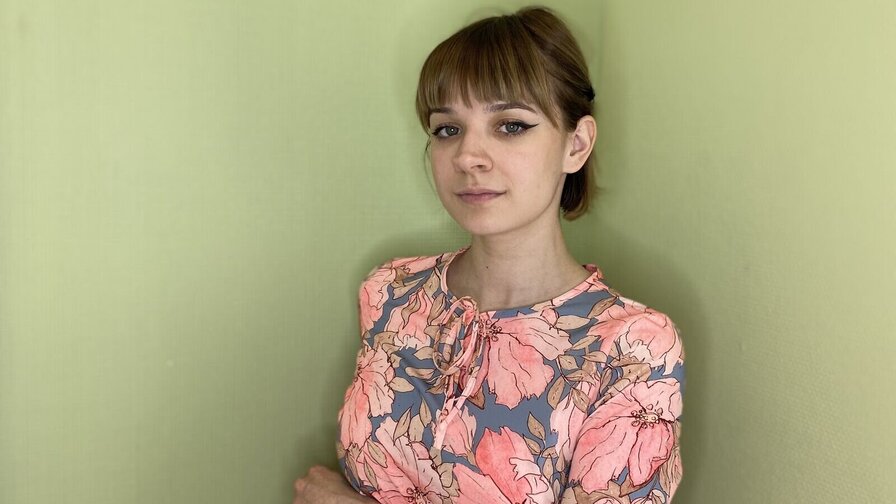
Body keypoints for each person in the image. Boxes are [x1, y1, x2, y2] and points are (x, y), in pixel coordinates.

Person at [293, 6, 684, 504]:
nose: (467, 157)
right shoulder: (390, 292)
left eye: (511, 125)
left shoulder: (634, 350)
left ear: (576, 144)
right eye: (447, 129)